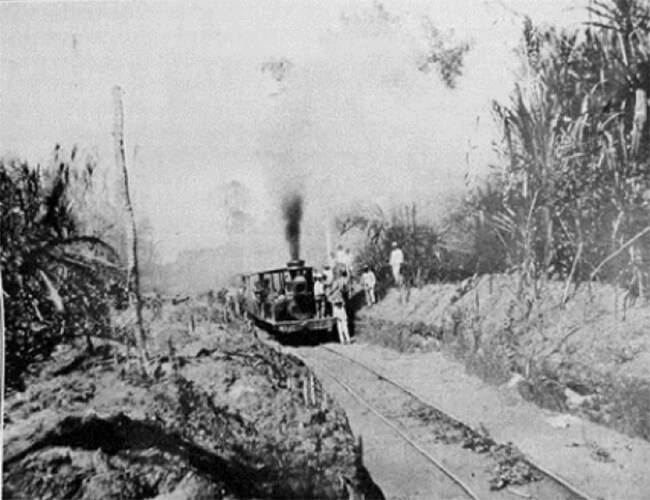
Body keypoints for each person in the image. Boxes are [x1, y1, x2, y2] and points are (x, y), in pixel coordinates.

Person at [328, 272, 350, 344]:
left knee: (340, 326)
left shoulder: (334, 294)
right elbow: (344, 301)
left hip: (337, 309)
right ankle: (347, 339)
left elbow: (330, 300)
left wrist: (333, 302)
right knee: (344, 325)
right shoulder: (340, 293)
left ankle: (342, 340)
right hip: (341, 309)